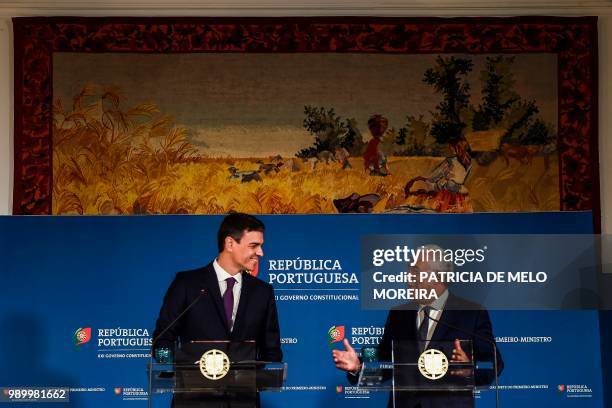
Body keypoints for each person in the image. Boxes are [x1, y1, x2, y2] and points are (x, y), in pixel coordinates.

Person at [333, 246, 503, 408]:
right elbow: (386, 364)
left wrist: (469, 370)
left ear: (437, 277)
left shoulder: (471, 313)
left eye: (415, 272)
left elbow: (495, 364)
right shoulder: (399, 314)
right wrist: (358, 368)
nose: (408, 278)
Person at [153, 212, 282, 361]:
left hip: (244, 384)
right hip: (194, 383)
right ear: (230, 244)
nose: (260, 252)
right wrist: (177, 364)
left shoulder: (262, 292)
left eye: (261, 246)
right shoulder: (186, 284)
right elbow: (162, 340)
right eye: (254, 246)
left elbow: (272, 352)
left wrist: (263, 379)